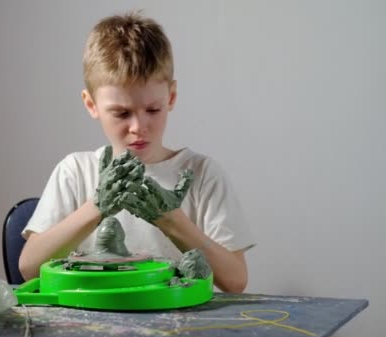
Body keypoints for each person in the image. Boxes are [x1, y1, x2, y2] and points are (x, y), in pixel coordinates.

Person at [18, 12, 255, 293]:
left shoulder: (202, 175)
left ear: (171, 97)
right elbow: (28, 267)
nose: (138, 127)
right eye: (121, 113)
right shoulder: (76, 171)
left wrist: (172, 221)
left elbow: (236, 280)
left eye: (153, 110)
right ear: (91, 104)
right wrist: (97, 205)